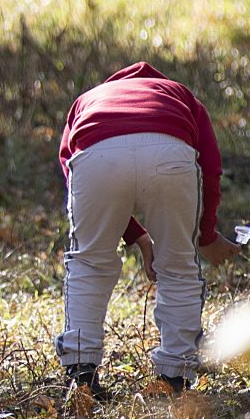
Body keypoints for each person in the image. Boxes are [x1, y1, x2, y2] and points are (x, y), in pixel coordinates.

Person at [55, 62, 225, 398]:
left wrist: (134, 234)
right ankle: (174, 379)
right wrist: (205, 236)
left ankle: (81, 376)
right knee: (178, 266)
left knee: (90, 262)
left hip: (96, 156)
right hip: (170, 154)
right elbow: (210, 167)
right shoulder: (181, 96)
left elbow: (70, 169)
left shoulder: (90, 99)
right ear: (159, 84)